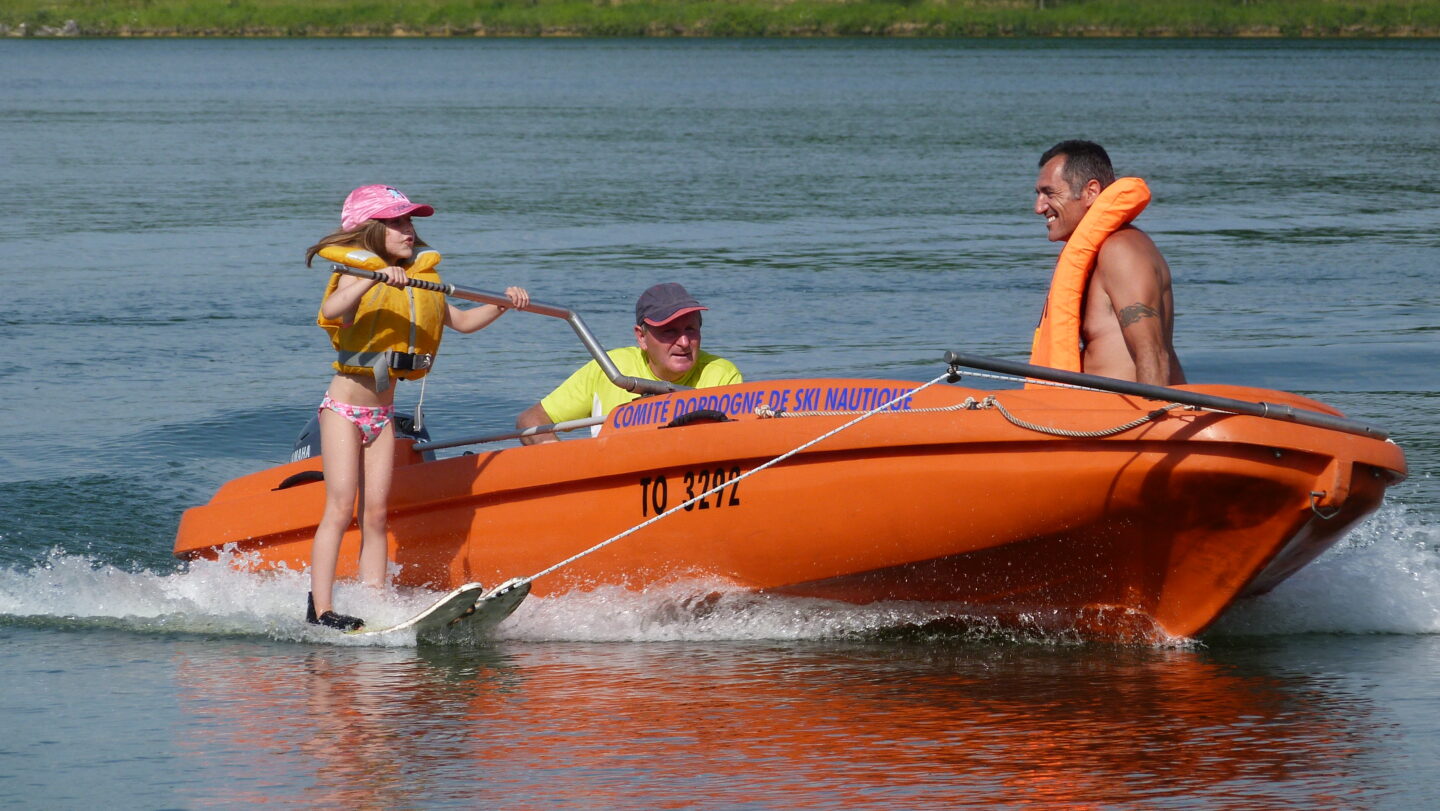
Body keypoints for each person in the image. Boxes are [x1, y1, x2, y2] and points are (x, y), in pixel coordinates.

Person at [303, 184, 529, 630]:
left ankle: (374, 602)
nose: (408, 230)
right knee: (340, 508)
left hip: (381, 417)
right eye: (397, 222)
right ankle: (321, 609)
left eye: (409, 221)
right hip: (343, 410)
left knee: (376, 515)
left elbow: (464, 321)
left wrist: (504, 304)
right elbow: (333, 307)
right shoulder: (356, 273)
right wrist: (372, 278)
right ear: (371, 230)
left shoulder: (421, 281)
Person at [1030, 140, 1185, 386]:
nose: (1038, 207)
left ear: (1091, 192)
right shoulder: (1100, 254)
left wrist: (1154, 408)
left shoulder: (1121, 250)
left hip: (1132, 408)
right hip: (1091, 407)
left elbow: (1153, 354)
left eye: (1049, 193)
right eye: (1038, 194)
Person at [516, 282, 741, 444]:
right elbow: (530, 420)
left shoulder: (723, 375)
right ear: (641, 337)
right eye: (670, 332)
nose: (683, 342)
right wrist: (562, 459)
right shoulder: (610, 368)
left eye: (690, 330)